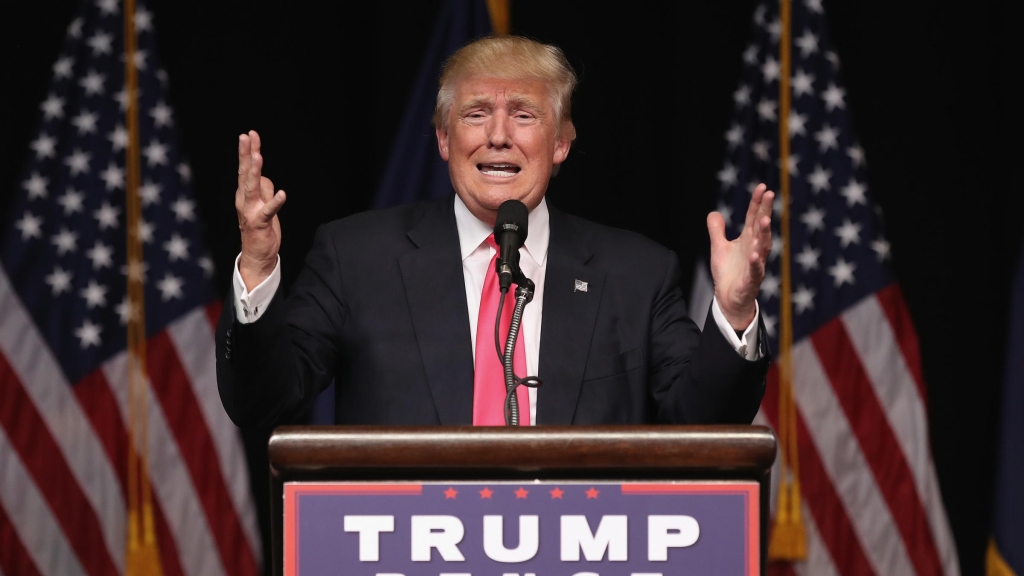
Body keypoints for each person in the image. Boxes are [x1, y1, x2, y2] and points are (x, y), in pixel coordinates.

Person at [216, 36, 773, 428]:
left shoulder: (636, 273)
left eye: (525, 115)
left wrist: (735, 313)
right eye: (476, 113)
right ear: (442, 139)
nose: (499, 136)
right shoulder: (357, 257)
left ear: (561, 144)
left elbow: (703, 425)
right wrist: (260, 270)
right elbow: (263, 403)